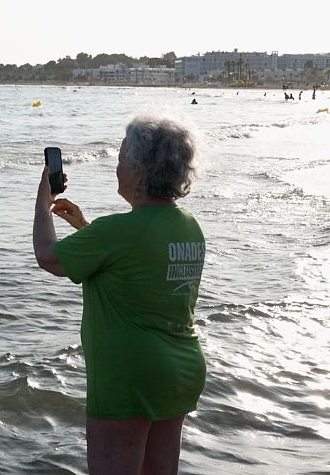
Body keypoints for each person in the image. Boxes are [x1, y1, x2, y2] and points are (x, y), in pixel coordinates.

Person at [33, 114, 206, 474]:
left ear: (141, 170)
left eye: (121, 157)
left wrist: (42, 199)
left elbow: (48, 257)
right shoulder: (189, 225)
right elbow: (138, 263)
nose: (117, 166)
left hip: (129, 376)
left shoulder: (117, 231)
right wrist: (83, 227)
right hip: (179, 371)